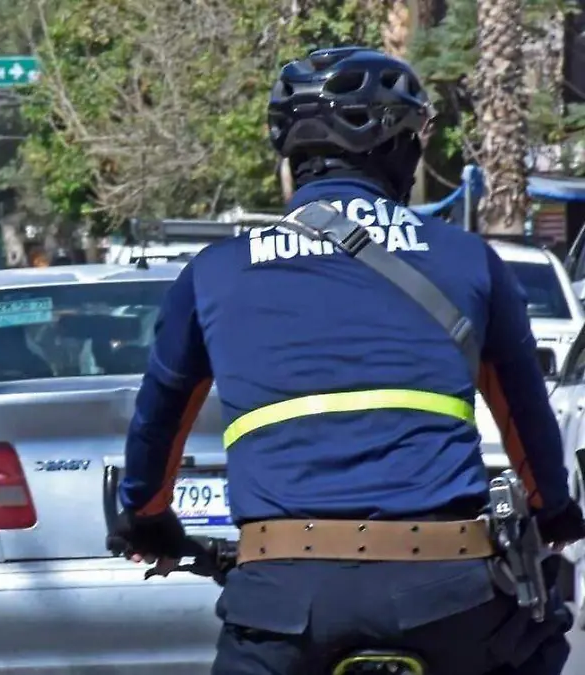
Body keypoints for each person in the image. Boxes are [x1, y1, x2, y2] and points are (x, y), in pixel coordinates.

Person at [108, 47, 585, 674]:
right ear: (405, 152)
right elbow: (527, 420)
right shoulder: (470, 262)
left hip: (282, 602)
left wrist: (145, 519)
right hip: (448, 598)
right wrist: (553, 509)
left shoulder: (214, 273)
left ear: (291, 153)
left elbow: (157, 424)